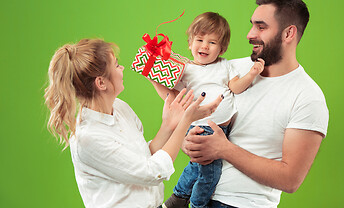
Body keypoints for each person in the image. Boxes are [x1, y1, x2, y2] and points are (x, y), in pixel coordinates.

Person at [183, 0, 329, 208]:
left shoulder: (308, 97)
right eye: (252, 25)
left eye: (261, 27)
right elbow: (196, 113)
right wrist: (191, 142)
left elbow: (290, 180)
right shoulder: (232, 68)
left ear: (288, 34)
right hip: (194, 196)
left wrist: (223, 149)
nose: (250, 34)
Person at [44, 38, 223, 208]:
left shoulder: (120, 108)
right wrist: (185, 122)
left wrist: (168, 125)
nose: (122, 68)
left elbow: (144, 158)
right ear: (101, 82)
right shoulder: (88, 138)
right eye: (116, 65)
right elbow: (152, 172)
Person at [149, 12, 264, 208]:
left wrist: (252, 74)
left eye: (212, 42)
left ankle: (178, 198)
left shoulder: (224, 66)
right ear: (189, 43)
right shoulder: (185, 70)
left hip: (221, 129)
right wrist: (154, 77)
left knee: (197, 167)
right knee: (211, 172)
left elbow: (235, 87)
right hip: (201, 126)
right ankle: (197, 204)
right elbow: (172, 97)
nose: (204, 46)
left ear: (221, 48)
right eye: (199, 40)